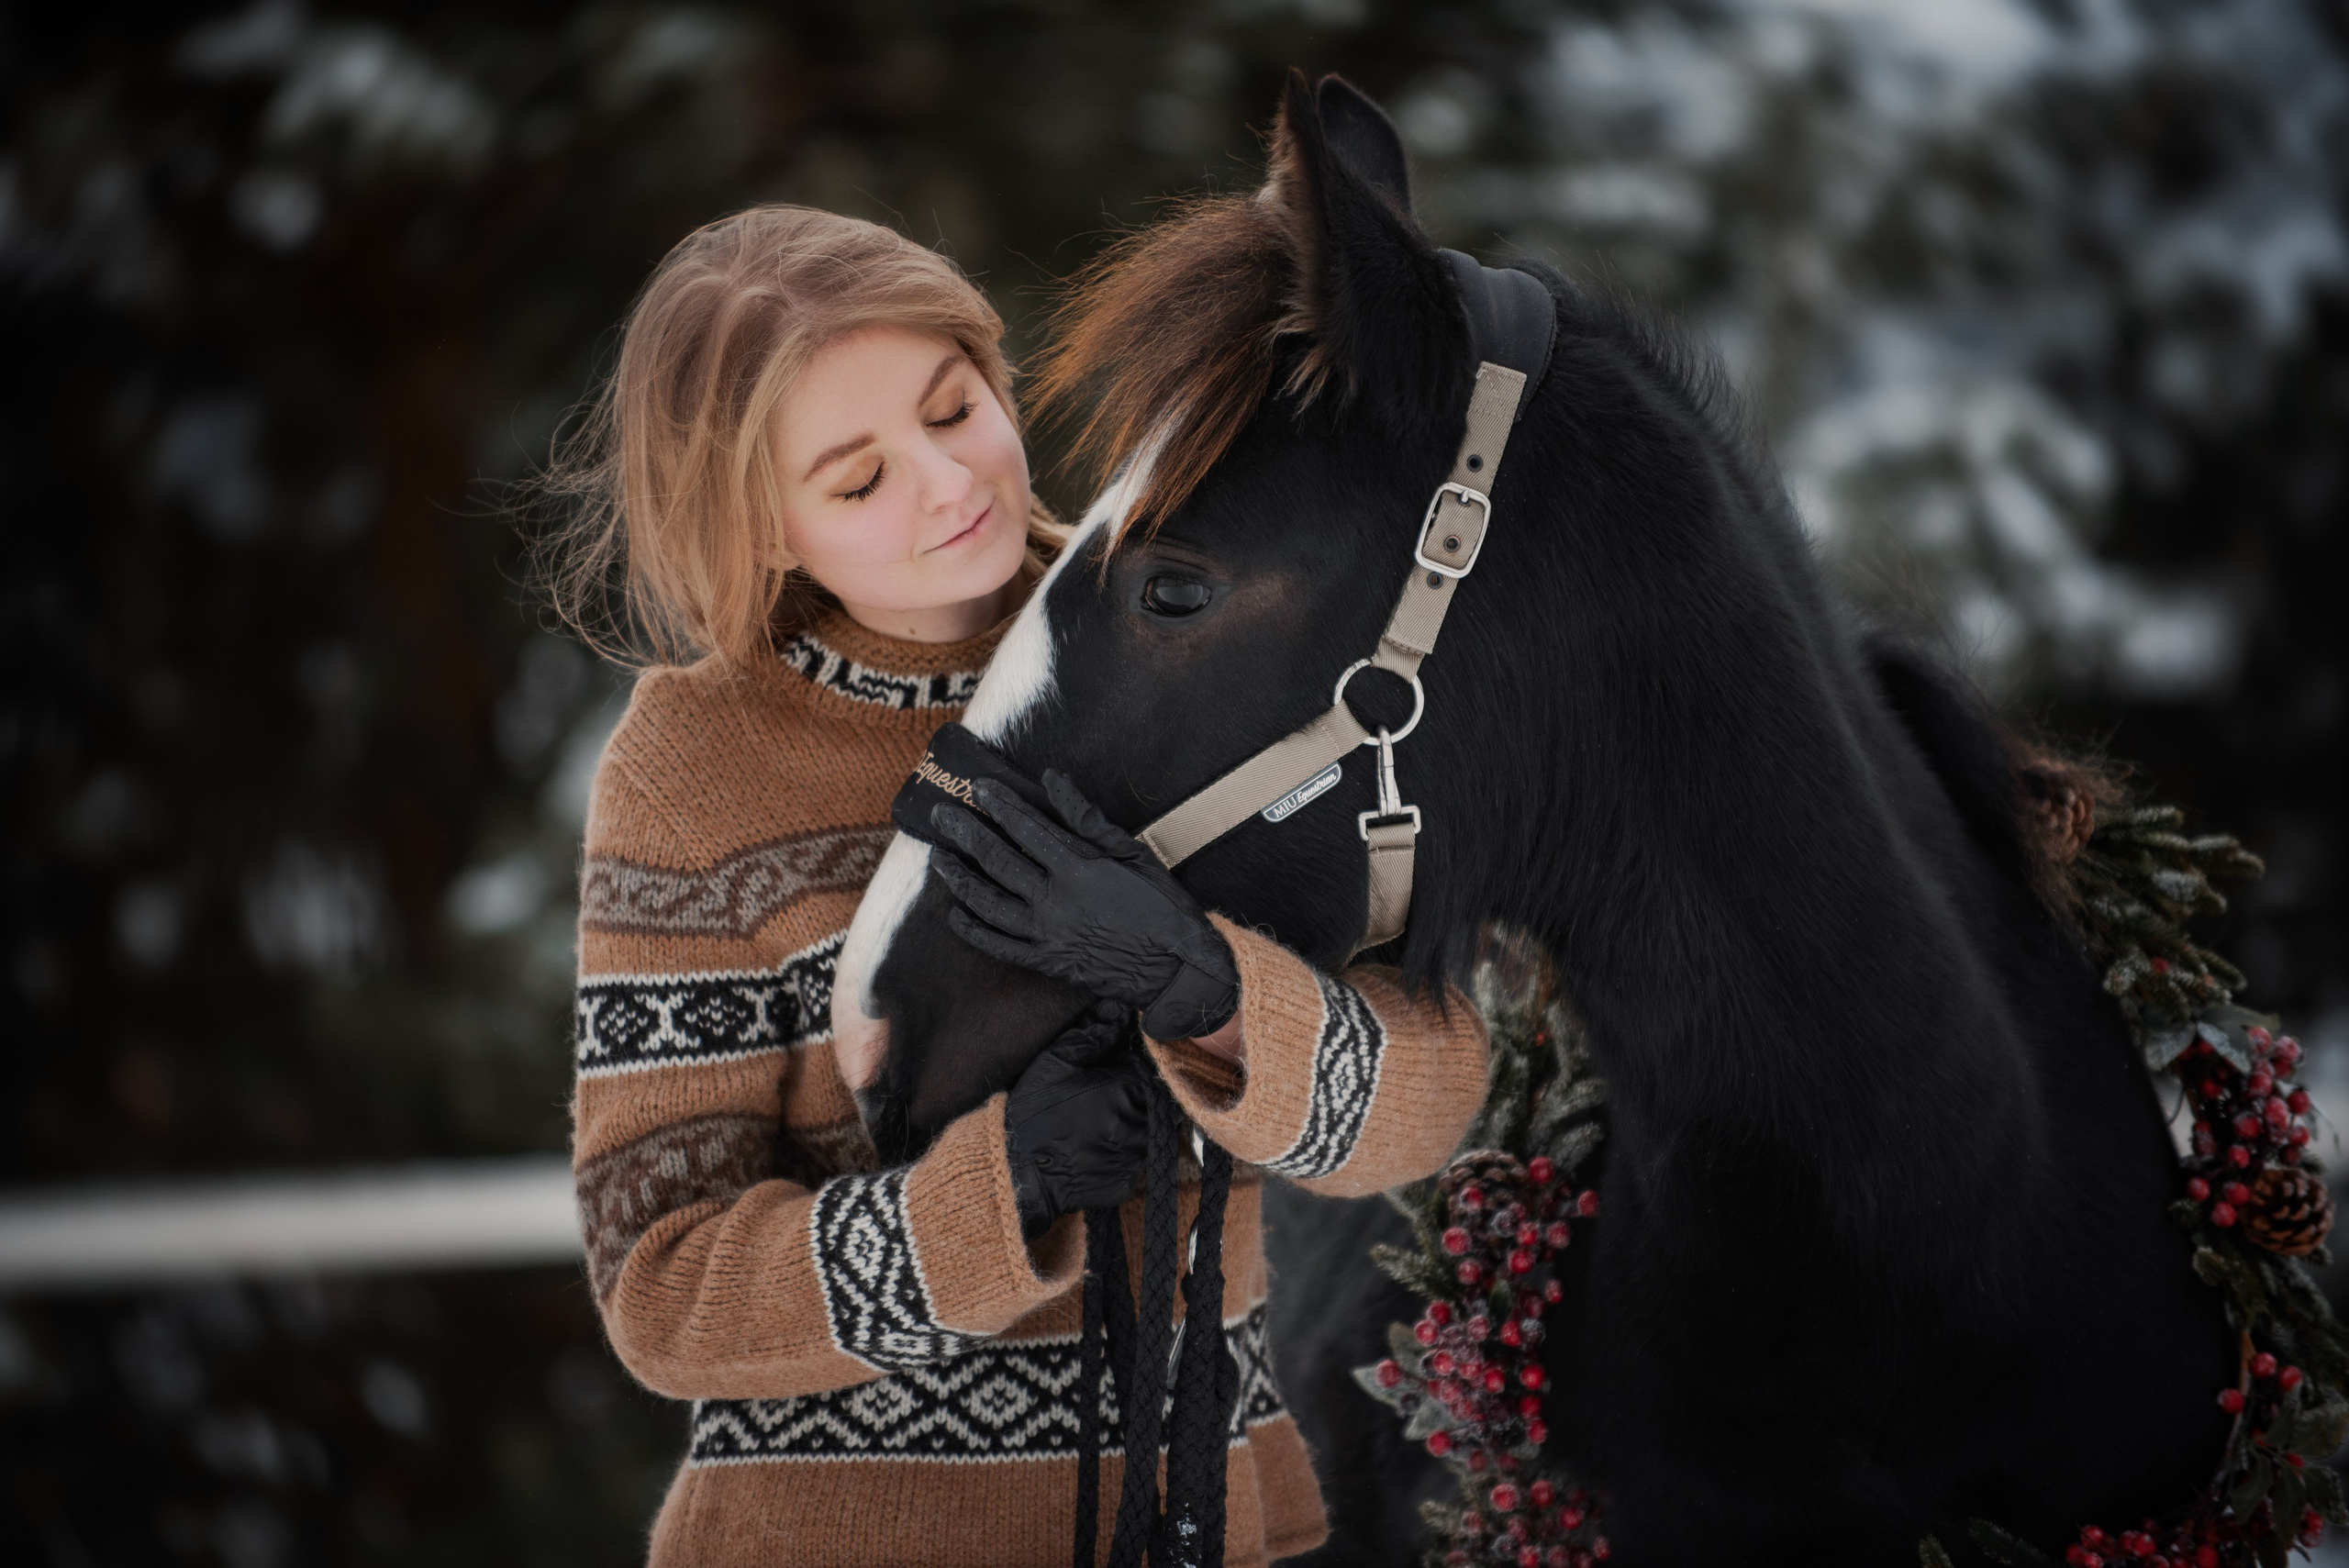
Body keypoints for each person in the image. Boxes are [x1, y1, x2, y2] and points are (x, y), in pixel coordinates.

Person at [551, 204, 1490, 1567]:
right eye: (860, 478)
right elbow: (666, 1286)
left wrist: (1217, 997)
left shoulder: (1199, 635)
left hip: (1210, 1525)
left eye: (956, 405)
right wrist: (1003, 1189)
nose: (950, 480)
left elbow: (1436, 1088)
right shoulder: (695, 767)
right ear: (760, 530)